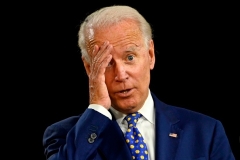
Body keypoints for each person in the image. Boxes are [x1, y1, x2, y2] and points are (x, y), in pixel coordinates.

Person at [42, 5, 235, 160]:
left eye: (130, 57)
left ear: (150, 55)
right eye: (107, 63)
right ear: (89, 69)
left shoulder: (206, 131)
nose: (121, 74)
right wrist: (97, 109)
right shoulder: (63, 136)